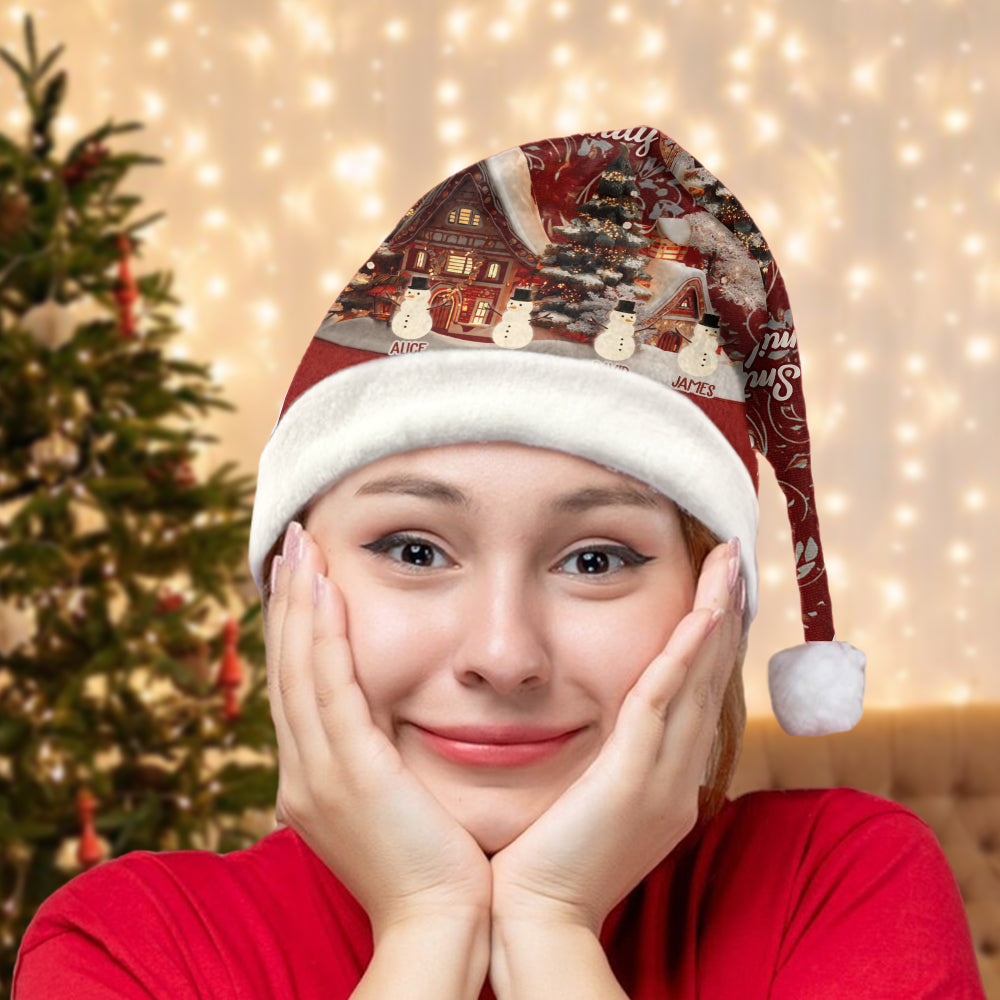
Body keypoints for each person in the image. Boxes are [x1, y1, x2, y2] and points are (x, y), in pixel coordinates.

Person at [13, 126, 986, 999]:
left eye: (596, 558)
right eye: (415, 548)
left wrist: (551, 926)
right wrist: (427, 927)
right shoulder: (128, 949)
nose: (502, 651)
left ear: (713, 604)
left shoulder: (843, 884)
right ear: (287, 581)